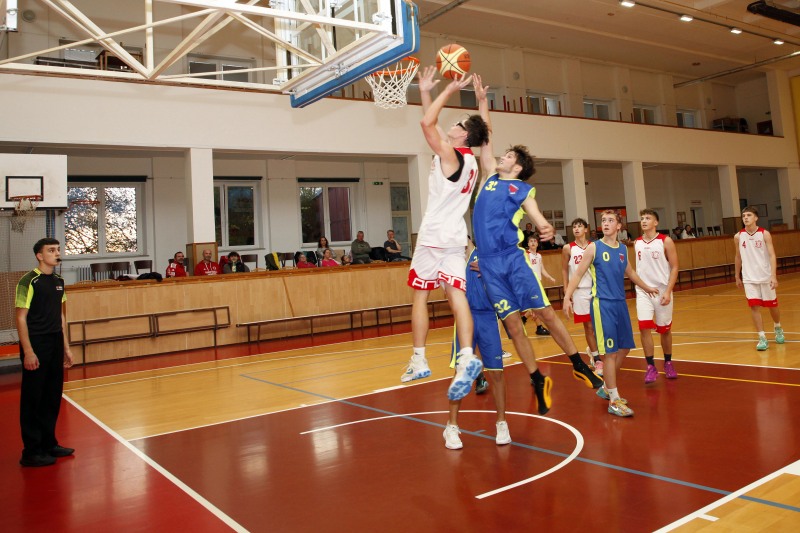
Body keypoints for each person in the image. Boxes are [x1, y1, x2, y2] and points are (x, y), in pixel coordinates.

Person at [471, 133, 604, 416]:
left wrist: (544, 224)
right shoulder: (489, 179)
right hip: (489, 265)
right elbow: (485, 141)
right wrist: (482, 108)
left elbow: (534, 212)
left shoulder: (521, 188)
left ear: (517, 167)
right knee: (513, 326)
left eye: (508, 156)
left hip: (512, 259)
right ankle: (537, 379)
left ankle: (579, 365)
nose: (502, 157)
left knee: (545, 314)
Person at [402, 67, 489, 418]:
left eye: (457, 124)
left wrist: (450, 91)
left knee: (420, 295)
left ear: (464, 135)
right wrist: (425, 91)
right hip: (455, 237)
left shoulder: (452, 156)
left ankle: (419, 359)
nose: (450, 125)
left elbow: (427, 124)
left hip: (434, 235)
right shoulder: (470, 160)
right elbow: (434, 122)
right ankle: (467, 356)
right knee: (457, 297)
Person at [563, 210, 659, 417]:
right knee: (610, 353)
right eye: (603, 220)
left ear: (619, 226)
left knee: (625, 347)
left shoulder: (622, 249)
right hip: (602, 305)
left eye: (610, 220)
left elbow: (630, 272)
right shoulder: (594, 248)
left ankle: (607, 388)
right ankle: (614, 400)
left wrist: (647, 287)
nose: (605, 223)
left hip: (620, 304)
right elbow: (577, 274)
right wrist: (567, 297)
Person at [15, 238, 74, 467]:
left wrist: (66, 348)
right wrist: (28, 351)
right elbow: (21, 318)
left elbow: (60, 316)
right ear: (39, 256)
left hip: (55, 342)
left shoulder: (59, 281)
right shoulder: (28, 281)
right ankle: (31, 451)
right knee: (33, 398)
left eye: (58, 249)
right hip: (36, 343)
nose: (57, 253)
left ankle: (49, 443)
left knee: (52, 395)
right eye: (51, 250)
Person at [445, 247, 512, 449]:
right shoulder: (450, 259)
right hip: (465, 316)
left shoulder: (486, 253)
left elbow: (507, 279)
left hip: (488, 317)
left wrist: (489, 271)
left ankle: (502, 423)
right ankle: (451, 426)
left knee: (497, 373)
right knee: (460, 372)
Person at [635, 209, 680, 383]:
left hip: (662, 290)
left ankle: (668, 362)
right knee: (644, 327)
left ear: (656, 223)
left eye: (648, 218)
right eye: (642, 218)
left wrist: (668, 291)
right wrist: (642, 286)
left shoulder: (665, 241)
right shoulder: (637, 242)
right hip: (643, 291)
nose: (644, 221)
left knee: (664, 330)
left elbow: (675, 267)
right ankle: (650, 366)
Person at [734, 206, 784, 350]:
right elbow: (738, 257)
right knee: (754, 307)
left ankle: (778, 327)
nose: (745, 218)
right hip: (749, 278)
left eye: (749, 215)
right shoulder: (738, 236)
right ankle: (762, 337)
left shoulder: (764, 234)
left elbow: (772, 255)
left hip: (765, 276)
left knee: (772, 306)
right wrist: (737, 275)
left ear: (756, 218)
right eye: (744, 216)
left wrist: (773, 276)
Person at [561, 218, 602, 375]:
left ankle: (596, 350)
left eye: (579, 226)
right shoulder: (568, 248)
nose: (576, 229)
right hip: (579, 291)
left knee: (600, 325)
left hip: (596, 290)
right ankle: (597, 359)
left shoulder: (594, 246)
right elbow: (564, 269)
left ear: (586, 229)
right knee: (589, 326)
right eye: (574, 227)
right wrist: (567, 290)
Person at [524, 234, 556, 336]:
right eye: (531, 241)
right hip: (531, 283)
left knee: (536, 306)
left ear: (538, 244)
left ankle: (525, 319)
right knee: (537, 305)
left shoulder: (539, 256)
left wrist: (549, 277)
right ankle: (538, 326)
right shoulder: (527, 255)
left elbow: (542, 269)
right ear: (528, 244)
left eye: (535, 241)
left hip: (538, 283)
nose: (533, 243)